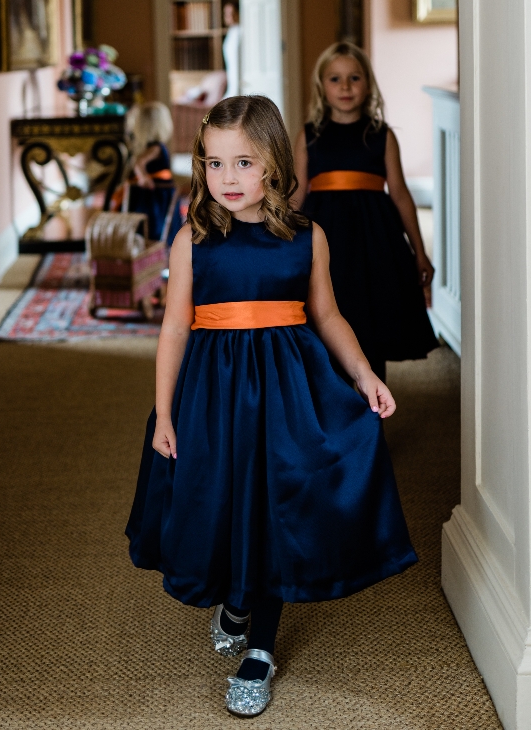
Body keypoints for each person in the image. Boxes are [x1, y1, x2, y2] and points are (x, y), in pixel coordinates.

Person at [126, 95, 417, 718]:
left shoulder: (307, 237)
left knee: (279, 505)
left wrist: (364, 375)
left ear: (276, 167)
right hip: (212, 394)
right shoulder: (192, 239)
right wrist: (165, 413)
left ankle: (259, 647)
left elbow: (328, 314)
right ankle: (235, 599)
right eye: (213, 163)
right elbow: (174, 330)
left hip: (288, 391)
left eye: (243, 163)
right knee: (222, 498)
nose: (227, 179)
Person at [293, 42, 439, 383]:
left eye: (354, 78)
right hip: (325, 240)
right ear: (321, 87)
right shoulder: (309, 135)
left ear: (368, 85)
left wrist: (420, 252)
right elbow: (296, 194)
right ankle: (334, 420)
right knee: (324, 320)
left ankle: (373, 420)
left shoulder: (382, 136)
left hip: (376, 242)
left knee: (372, 323)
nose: (345, 87)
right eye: (335, 79)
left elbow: (400, 194)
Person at [123, 101, 182, 244]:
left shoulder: (154, 147)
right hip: (156, 193)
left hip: (157, 192)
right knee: (156, 224)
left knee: (157, 223)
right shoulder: (157, 148)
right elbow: (139, 163)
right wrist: (143, 178)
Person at [222, 1, 241, 98]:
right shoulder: (231, 32)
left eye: (233, 13)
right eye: (227, 14)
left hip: (240, 78)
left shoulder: (240, 31)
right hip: (232, 78)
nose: (230, 17)